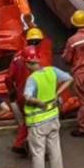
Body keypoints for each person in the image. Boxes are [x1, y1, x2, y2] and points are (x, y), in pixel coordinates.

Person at [22, 47, 73, 168]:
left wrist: (38, 102)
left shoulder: (32, 79)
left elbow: (27, 96)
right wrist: (57, 93)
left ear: (28, 63)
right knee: (55, 147)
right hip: (53, 117)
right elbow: (69, 79)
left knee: (38, 151)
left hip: (37, 121)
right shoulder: (52, 71)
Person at [6, 27, 50, 156]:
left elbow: (8, 77)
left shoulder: (17, 57)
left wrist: (12, 91)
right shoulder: (40, 58)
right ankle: (38, 150)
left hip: (21, 95)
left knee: (27, 119)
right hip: (36, 95)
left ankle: (19, 143)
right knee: (39, 122)